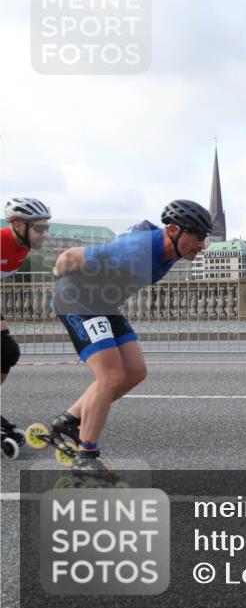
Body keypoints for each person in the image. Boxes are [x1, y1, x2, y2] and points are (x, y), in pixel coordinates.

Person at [50, 199, 210, 476]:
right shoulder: (135, 249)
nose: (202, 245)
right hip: (77, 300)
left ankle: (69, 420)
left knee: (135, 371)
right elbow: (69, 258)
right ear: (173, 230)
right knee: (111, 376)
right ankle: (86, 457)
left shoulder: (172, 252)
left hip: (104, 304)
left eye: (204, 237)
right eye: (197, 237)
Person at [1, 198, 52, 458]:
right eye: (40, 228)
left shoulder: (23, 248)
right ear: (18, 224)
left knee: (7, 353)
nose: (45, 233)